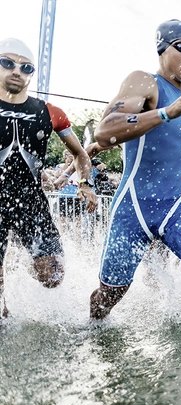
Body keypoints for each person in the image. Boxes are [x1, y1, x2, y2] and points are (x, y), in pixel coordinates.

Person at [88, 20, 181, 336]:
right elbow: (107, 129)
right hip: (134, 209)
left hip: (176, 208)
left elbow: (180, 144)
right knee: (109, 297)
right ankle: (92, 328)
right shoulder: (145, 83)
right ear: (162, 50)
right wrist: (167, 112)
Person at [0, 37, 97, 318]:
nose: (17, 70)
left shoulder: (49, 112)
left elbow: (81, 154)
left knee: (53, 276)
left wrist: (85, 184)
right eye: (8, 63)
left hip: (31, 204)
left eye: (26, 67)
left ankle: (20, 264)